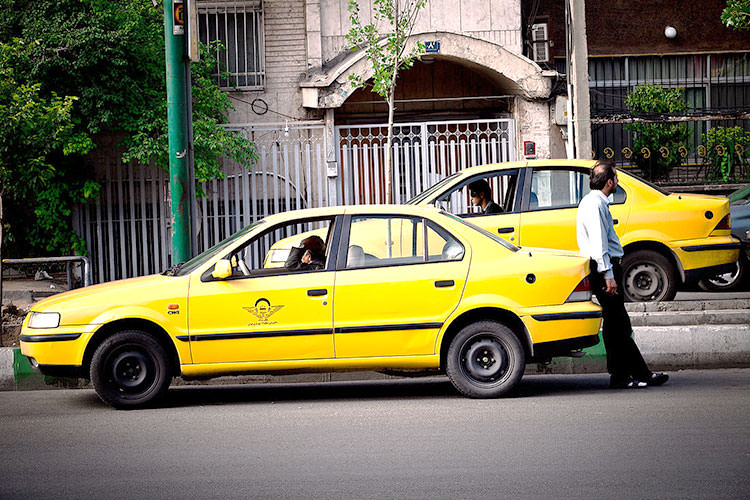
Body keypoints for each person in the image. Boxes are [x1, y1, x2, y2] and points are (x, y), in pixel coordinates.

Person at [576, 160, 669, 389]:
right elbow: (599, 244)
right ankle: (640, 374)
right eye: (616, 178)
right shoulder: (595, 205)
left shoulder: (593, 202)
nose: (617, 181)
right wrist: (608, 275)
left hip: (604, 268)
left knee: (614, 325)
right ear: (609, 182)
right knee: (620, 325)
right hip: (604, 269)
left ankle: (619, 375)